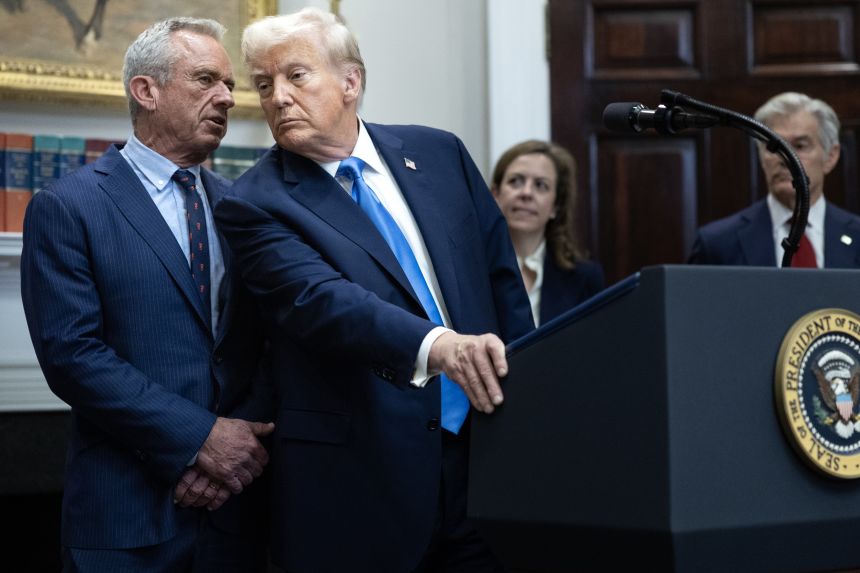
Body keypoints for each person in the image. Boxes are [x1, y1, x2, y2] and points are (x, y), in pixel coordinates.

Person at [213, 7, 534, 573]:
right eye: (264, 85)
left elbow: (501, 284)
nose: (278, 97)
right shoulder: (254, 201)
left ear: (351, 81)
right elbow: (323, 302)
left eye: (296, 75)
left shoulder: (440, 154)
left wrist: (537, 403)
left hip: (487, 462)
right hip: (360, 483)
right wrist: (440, 347)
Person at [20, 17, 273, 572]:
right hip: (124, 514)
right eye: (206, 79)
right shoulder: (69, 206)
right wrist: (199, 442)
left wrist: (234, 454)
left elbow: (260, 341)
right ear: (146, 90)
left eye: (230, 84)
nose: (227, 97)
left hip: (235, 511)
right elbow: (73, 357)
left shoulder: (240, 207)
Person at [688, 91, 860, 267]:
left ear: (830, 156)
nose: (785, 158)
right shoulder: (717, 243)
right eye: (773, 147)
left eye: (800, 146)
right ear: (761, 156)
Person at [491, 140, 604, 326]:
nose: (526, 193)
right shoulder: (471, 272)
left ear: (556, 206)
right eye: (516, 181)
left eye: (540, 185)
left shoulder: (585, 278)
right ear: (495, 195)